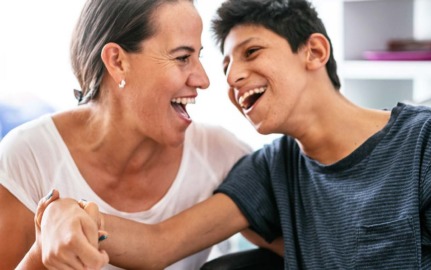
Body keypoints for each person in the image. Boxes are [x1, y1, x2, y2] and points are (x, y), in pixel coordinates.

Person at [35, 0, 431, 269]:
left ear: (315, 52)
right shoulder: (273, 168)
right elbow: (159, 242)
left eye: (251, 52)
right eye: (227, 66)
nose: (232, 77)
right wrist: (66, 214)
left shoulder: (428, 143)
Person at [0, 0, 253, 269]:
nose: (203, 80)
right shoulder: (28, 157)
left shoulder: (221, 155)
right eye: (182, 58)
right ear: (117, 61)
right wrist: (42, 251)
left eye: (198, 57)